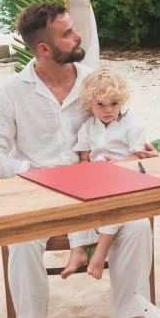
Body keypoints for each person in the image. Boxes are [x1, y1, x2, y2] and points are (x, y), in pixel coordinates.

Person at [0, 2, 156, 318]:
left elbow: (123, 123)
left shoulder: (94, 82)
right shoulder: (12, 92)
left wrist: (142, 150)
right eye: (68, 34)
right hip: (37, 198)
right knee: (22, 241)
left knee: (138, 228)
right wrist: (32, 172)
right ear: (44, 48)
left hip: (95, 195)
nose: (78, 38)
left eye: (74, 30)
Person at [61, 66, 148, 281]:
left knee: (114, 204)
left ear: (122, 102)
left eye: (114, 104)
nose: (108, 110)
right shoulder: (88, 128)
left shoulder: (131, 126)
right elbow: (83, 158)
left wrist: (118, 164)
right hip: (96, 179)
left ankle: (99, 254)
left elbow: (140, 158)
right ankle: (78, 249)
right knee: (76, 201)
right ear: (89, 104)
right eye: (100, 105)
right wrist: (88, 170)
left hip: (124, 178)